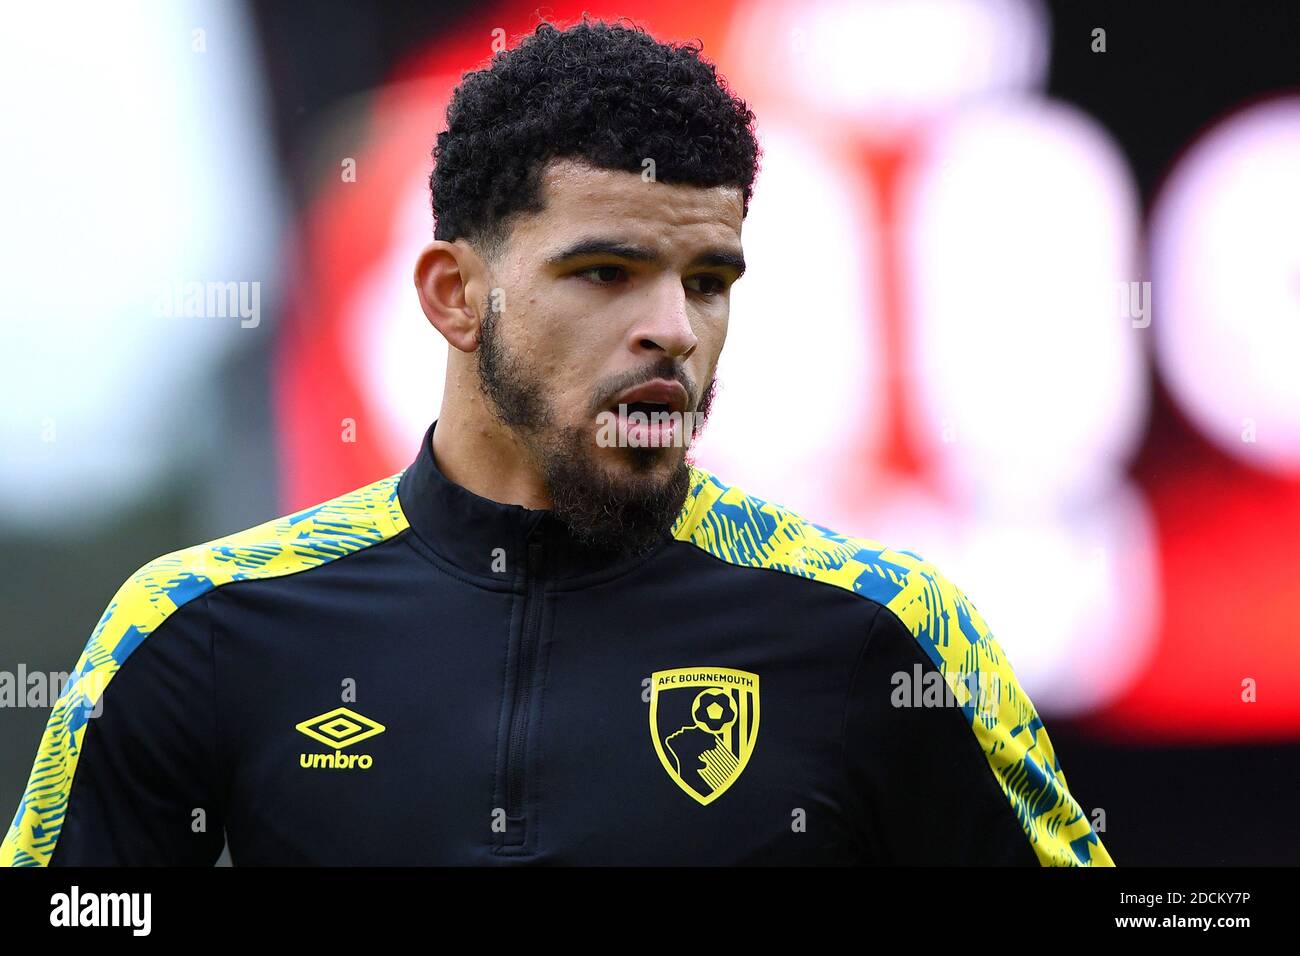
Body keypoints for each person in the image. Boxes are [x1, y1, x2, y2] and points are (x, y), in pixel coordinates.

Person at [0, 18, 1112, 866]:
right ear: (452, 294)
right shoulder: (195, 626)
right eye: (603, 272)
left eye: (708, 280)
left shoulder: (889, 625)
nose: (673, 329)